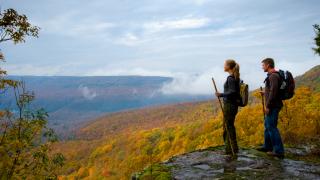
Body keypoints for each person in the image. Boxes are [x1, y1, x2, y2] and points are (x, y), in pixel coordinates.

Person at [257, 58, 284, 159]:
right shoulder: (273, 76)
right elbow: (272, 90)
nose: (262, 67)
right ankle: (267, 146)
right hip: (274, 104)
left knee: (272, 127)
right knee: (267, 125)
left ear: (268, 65)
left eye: (263, 65)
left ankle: (279, 151)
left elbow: (274, 92)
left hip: (273, 106)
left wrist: (268, 106)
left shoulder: (273, 76)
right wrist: (265, 93)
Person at [215, 59, 240, 156]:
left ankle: (229, 150)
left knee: (227, 127)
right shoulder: (234, 77)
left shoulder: (230, 78)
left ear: (229, 66)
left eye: (225, 64)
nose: (223, 66)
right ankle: (233, 148)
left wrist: (221, 94)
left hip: (229, 105)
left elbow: (233, 92)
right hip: (232, 105)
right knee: (230, 126)